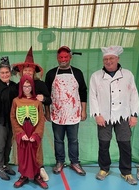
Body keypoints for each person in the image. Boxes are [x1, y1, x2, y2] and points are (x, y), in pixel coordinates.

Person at [89, 46, 139, 185]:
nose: (108, 61)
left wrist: (134, 114)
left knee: (125, 144)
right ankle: (104, 168)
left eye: (111, 58)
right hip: (104, 116)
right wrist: (97, 114)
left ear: (118, 59)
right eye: (106, 59)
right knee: (103, 143)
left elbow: (134, 95)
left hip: (123, 114)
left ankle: (126, 172)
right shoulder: (96, 76)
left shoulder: (128, 75)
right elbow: (92, 96)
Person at [45, 46, 87, 176]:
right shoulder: (51, 74)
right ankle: (60, 162)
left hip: (74, 112)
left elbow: (83, 92)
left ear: (70, 57)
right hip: (57, 113)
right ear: (57, 58)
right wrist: (47, 111)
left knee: (73, 140)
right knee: (58, 140)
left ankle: (75, 162)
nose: (63, 60)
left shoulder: (78, 73)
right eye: (60, 57)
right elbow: (46, 95)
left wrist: (83, 111)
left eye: (65, 57)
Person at [12, 47, 51, 181]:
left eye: (30, 70)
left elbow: (48, 99)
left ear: (33, 71)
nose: (28, 72)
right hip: (21, 123)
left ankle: (39, 169)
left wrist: (43, 99)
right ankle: (24, 172)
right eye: (26, 70)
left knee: (36, 146)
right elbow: (15, 104)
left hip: (36, 121)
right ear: (22, 72)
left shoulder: (40, 84)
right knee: (23, 147)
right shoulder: (18, 85)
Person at [10, 75, 48, 189]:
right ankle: (23, 175)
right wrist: (20, 133)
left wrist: (36, 134)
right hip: (23, 133)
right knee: (23, 153)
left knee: (36, 153)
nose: (27, 88)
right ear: (21, 87)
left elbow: (41, 118)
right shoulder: (16, 101)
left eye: (29, 86)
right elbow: (13, 117)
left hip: (34, 131)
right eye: (24, 86)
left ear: (32, 87)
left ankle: (37, 175)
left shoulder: (37, 102)